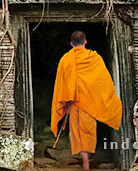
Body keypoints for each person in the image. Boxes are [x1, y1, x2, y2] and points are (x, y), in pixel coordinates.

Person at [50, 30, 122, 171]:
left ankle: (85, 162)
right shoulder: (95, 59)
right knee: (88, 132)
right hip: (90, 104)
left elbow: (61, 83)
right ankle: (86, 161)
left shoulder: (66, 59)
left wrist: (65, 100)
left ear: (71, 44)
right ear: (86, 42)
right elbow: (104, 82)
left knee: (77, 133)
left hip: (74, 104)